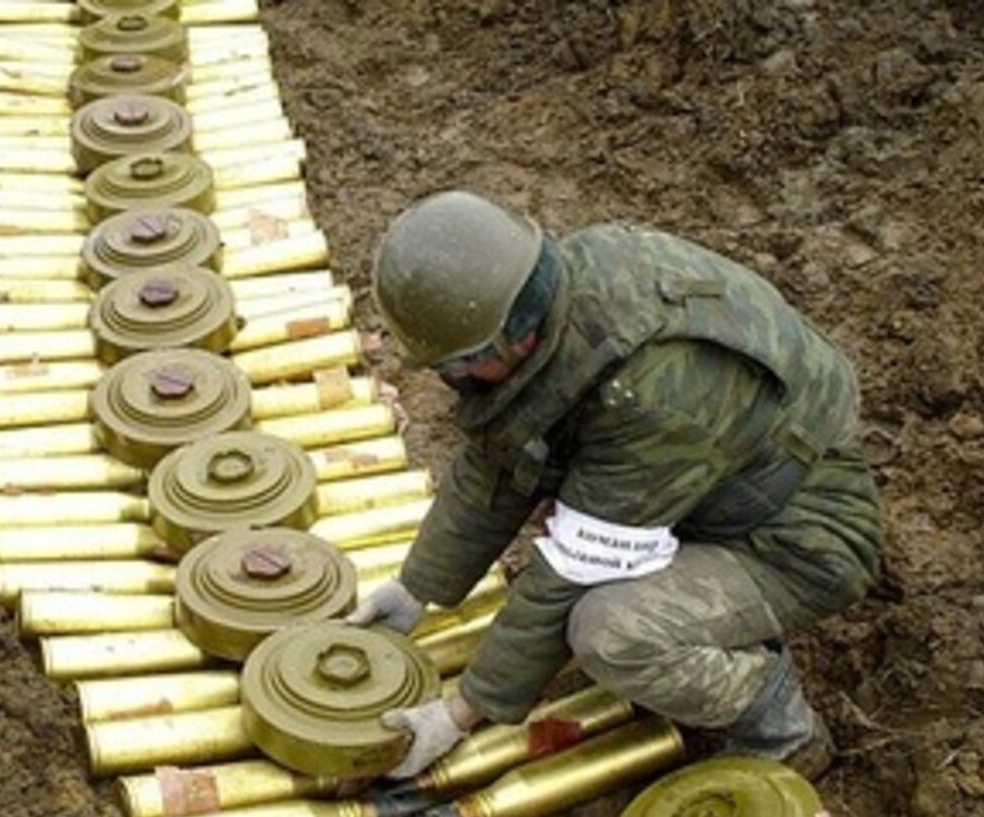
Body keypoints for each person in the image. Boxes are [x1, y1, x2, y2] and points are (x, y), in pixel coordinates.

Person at [347, 190, 882, 781]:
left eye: (458, 365)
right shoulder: (556, 294)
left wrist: (460, 713)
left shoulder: (654, 391)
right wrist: (416, 587)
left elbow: (573, 570)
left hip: (794, 535)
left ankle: (778, 722)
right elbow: (498, 458)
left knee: (611, 633)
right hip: (708, 479)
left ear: (512, 336)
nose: (456, 381)